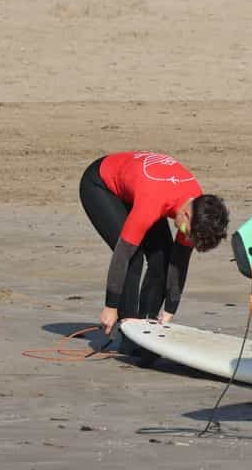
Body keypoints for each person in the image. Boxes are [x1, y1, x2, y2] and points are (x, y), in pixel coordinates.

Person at [79, 151, 228, 360]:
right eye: (186, 233)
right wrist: (110, 307)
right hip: (100, 185)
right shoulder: (153, 203)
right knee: (135, 257)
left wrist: (168, 313)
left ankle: (147, 328)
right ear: (186, 214)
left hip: (140, 189)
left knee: (163, 256)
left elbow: (179, 261)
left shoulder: (197, 212)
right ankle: (127, 331)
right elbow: (123, 256)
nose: (185, 236)